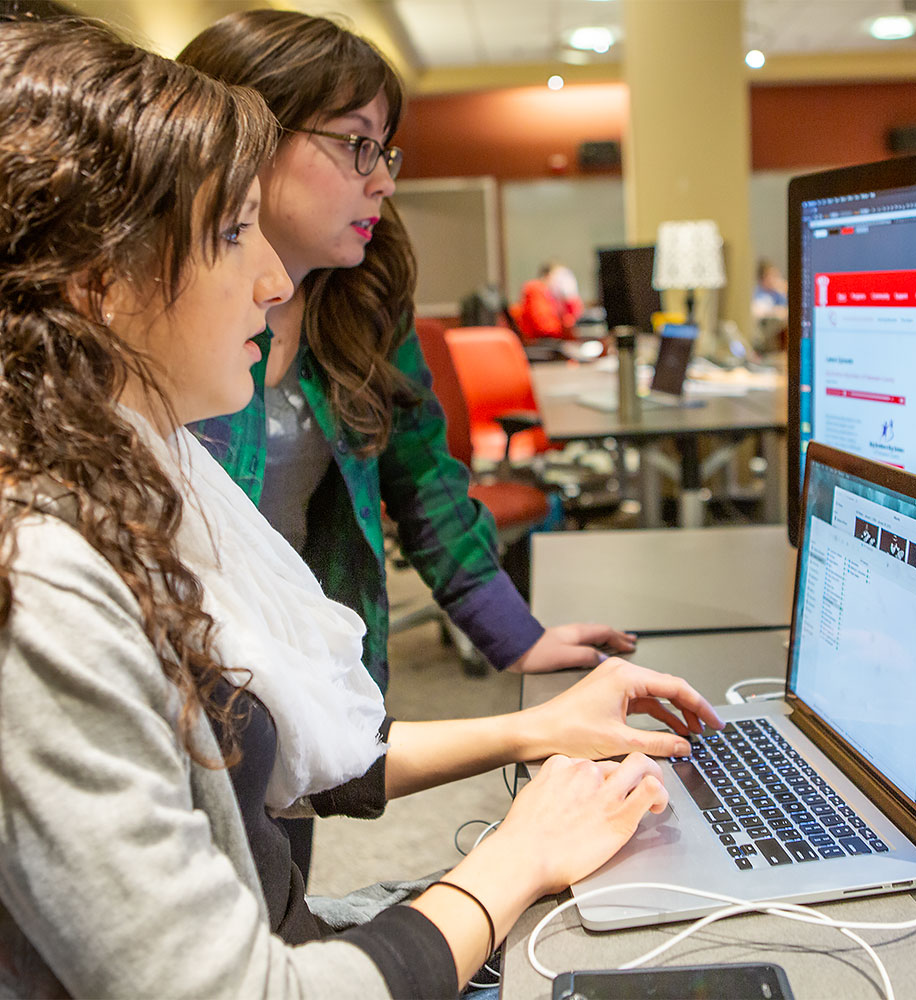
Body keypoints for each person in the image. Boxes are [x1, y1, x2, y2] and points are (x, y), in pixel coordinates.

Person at [0, 18, 724, 999]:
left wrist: (532, 723)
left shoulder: (131, 462)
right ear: (95, 285)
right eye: (229, 231)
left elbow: (267, 744)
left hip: (281, 910)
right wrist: (516, 855)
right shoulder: (48, 580)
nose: (267, 279)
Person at [177, 11, 631, 703]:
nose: (383, 181)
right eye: (357, 144)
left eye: (385, 151)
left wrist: (514, 634)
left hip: (297, 677)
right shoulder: (150, 313)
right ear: (243, 139)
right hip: (173, 684)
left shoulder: (361, 299)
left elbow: (422, 475)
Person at [516, 260, 585, 341]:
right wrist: (565, 325)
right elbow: (544, 327)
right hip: (541, 343)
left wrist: (570, 297)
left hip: (553, 341)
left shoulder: (555, 296)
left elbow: (575, 316)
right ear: (547, 276)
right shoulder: (534, 289)